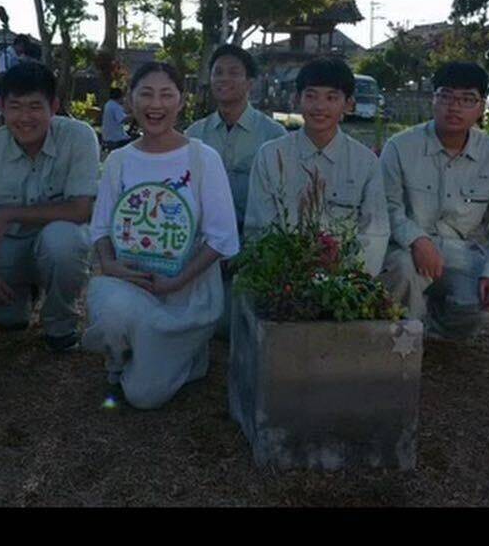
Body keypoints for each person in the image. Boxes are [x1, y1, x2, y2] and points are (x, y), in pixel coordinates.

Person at [83, 61, 238, 409]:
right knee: (113, 308)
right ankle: (121, 357)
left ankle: (187, 353)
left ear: (181, 101)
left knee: (143, 396)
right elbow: (101, 228)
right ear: (130, 101)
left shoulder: (203, 158)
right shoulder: (119, 160)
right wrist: (110, 265)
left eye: (167, 95)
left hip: (188, 291)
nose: (156, 105)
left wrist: (176, 280)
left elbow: (222, 237)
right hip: (131, 283)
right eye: (146, 94)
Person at [0, 60, 98, 352]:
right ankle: (14, 308)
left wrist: (9, 214)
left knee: (63, 242)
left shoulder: (79, 137)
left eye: (35, 107)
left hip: (55, 244)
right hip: (6, 251)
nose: (25, 118)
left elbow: (81, 209)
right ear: (1, 107)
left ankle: (60, 325)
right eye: (15, 107)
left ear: (54, 107)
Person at [380, 61, 489, 340]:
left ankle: (429, 329)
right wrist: (416, 239)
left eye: (467, 99)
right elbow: (387, 206)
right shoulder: (400, 147)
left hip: (460, 253)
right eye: (446, 96)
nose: (454, 107)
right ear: (433, 100)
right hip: (406, 249)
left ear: (481, 107)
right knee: (400, 269)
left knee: (485, 306)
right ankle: (402, 336)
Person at [246, 56, 387, 274]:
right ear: (297, 99)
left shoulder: (366, 163)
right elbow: (259, 228)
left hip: (345, 280)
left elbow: (374, 234)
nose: (320, 106)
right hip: (280, 278)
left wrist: (346, 276)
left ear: (348, 104)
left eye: (331, 98)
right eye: (311, 96)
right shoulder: (270, 156)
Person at [189, 44, 287, 230]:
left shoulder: (274, 135)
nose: (224, 79)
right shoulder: (194, 134)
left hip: (255, 240)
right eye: (218, 73)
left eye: (233, 73)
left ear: (250, 82)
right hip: (204, 239)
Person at [100, 87, 132, 151]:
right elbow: (124, 120)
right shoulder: (115, 106)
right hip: (116, 138)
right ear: (120, 97)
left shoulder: (109, 104)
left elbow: (124, 112)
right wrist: (136, 114)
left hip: (107, 137)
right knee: (136, 141)